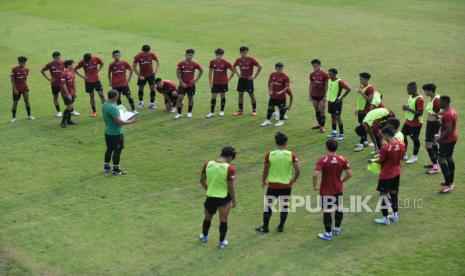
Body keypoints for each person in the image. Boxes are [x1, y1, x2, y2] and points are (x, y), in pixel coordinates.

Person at [256, 132, 300, 233]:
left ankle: (265, 227)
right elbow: (298, 171)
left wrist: (263, 181)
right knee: (284, 206)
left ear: (276, 142)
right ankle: (281, 226)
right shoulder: (291, 155)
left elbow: (265, 170)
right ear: (286, 142)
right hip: (286, 186)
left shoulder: (269, 155)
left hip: (273, 186)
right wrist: (293, 181)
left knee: (268, 206)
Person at [313, 139, 352, 241]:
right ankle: (337, 228)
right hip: (338, 188)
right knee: (339, 208)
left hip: (326, 190)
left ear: (326, 147)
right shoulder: (342, 159)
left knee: (327, 210)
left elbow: (315, 174)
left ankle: (328, 234)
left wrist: (315, 186)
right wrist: (341, 181)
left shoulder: (323, 160)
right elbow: (349, 174)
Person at [199, 146, 237, 249]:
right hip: (223, 199)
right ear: (229, 157)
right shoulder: (230, 169)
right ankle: (221, 243)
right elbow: (230, 187)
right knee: (223, 220)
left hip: (210, 197)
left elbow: (202, 181)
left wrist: (209, 190)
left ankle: (204, 237)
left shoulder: (208, 164)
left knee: (207, 217)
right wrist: (234, 200)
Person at [369, 125, 405, 225]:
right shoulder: (401, 144)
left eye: (383, 135)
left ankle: (385, 218)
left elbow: (381, 161)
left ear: (386, 135)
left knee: (383, 195)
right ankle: (395, 214)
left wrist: (372, 161)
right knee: (394, 193)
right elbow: (402, 156)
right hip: (397, 172)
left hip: (386, 174)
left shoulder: (386, 148)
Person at [102, 90, 138, 175]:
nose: (118, 97)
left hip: (108, 131)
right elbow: (119, 122)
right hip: (116, 133)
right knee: (117, 150)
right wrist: (131, 121)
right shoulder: (113, 108)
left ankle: (106, 166)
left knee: (109, 149)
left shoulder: (105, 105)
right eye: (117, 96)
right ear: (114, 97)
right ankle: (116, 169)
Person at [436, 96, 458, 194]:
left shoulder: (448, 114)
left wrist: (439, 138)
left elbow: (448, 129)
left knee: (441, 159)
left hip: (447, 140)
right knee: (449, 158)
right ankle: (451, 182)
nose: (438, 103)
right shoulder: (452, 111)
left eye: (440, 102)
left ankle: (448, 185)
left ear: (445, 102)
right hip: (453, 138)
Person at [206, 48, 236, 118]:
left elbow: (233, 71)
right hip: (215, 83)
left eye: (220, 55)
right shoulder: (212, 62)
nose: (218, 56)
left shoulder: (226, 62)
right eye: (217, 55)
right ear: (215, 55)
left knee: (222, 96)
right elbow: (210, 72)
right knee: (213, 96)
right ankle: (212, 112)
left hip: (223, 83)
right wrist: (210, 82)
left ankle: (222, 111)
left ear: (222, 55)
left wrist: (228, 79)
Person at [233, 46, 262, 116]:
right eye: (243, 53)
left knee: (251, 94)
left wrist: (254, 76)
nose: (244, 54)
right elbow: (233, 66)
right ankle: (240, 111)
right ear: (240, 53)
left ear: (247, 52)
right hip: (241, 80)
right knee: (240, 95)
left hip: (249, 80)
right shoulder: (238, 60)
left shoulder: (251, 59)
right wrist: (237, 74)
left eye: (245, 53)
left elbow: (260, 66)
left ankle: (254, 111)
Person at [175, 49, 203, 119]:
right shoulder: (180, 64)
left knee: (190, 98)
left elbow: (201, 71)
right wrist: (181, 82)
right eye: (188, 55)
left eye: (191, 55)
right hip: (182, 85)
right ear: (185, 55)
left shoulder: (194, 64)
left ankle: (189, 112)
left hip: (191, 85)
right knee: (179, 98)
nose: (190, 56)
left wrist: (196, 80)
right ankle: (179, 114)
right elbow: (178, 73)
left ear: (193, 55)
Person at [261, 63, 291, 127]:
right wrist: (270, 90)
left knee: (281, 109)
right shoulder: (272, 75)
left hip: (281, 97)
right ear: (275, 68)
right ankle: (268, 120)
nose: (279, 70)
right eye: (278, 69)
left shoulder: (285, 77)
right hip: (273, 96)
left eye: (281, 69)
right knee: (270, 108)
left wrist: (281, 91)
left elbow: (287, 86)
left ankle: (281, 121)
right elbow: (269, 82)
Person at [401, 82, 424, 164]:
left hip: (416, 123)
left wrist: (408, 108)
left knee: (415, 139)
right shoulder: (411, 96)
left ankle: (414, 156)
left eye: (408, 89)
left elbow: (420, 113)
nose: (407, 91)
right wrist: (407, 108)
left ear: (414, 89)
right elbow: (412, 107)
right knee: (402, 136)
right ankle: (404, 153)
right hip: (408, 121)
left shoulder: (419, 99)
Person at [325, 68, 351, 141]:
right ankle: (334, 132)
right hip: (330, 101)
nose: (329, 75)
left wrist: (341, 98)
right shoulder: (330, 80)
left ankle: (341, 134)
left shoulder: (339, 81)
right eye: (328, 74)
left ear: (335, 74)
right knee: (332, 116)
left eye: (330, 74)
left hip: (337, 102)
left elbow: (348, 89)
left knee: (338, 117)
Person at [422, 83, 441, 175]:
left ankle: (436, 167)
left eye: (425, 90)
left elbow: (440, 113)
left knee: (428, 146)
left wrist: (435, 118)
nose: (424, 92)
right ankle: (436, 163)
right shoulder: (433, 98)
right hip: (432, 124)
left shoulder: (436, 100)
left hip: (433, 125)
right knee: (433, 144)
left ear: (430, 91)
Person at [133, 44, 160, 110]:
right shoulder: (137, 56)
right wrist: (139, 76)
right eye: (144, 52)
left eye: (147, 52)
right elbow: (134, 67)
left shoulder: (151, 54)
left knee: (152, 88)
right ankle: (140, 102)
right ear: (142, 51)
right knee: (141, 88)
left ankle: (152, 103)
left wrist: (155, 70)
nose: (146, 53)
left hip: (151, 75)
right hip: (142, 75)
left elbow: (158, 62)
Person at [354, 72, 375, 152]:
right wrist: (357, 108)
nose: (360, 80)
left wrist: (362, 93)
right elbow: (359, 99)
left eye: (361, 79)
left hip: (366, 111)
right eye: (360, 79)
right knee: (362, 126)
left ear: (366, 79)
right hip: (360, 110)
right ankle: (365, 141)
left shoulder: (370, 88)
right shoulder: (361, 86)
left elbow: (370, 100)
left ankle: (361, 144)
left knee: (364, 127)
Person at [10, 56, 34, 123]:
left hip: (24, 88)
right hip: (17, 88)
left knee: (27, 101)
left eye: (24, 63)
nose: (23, 64)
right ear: (18, 62)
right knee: (15, 102)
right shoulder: (14, 69)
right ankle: (13, 117)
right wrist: (14, 89)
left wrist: (26, 86)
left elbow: (25, 79)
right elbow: (12, 80)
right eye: (21, 63)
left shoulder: (27, 69)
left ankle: (29, 115)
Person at [41, 51, 64, 117]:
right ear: (53, 58)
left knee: (65, 97)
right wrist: (48, 78)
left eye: (58, 57)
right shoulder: (50, 64)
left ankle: (71, 110)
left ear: (60, 56)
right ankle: (58, 111)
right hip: (54, 84)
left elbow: (70, 68)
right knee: (55, 97)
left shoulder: (63, 63)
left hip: (63, 84)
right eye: (55, 58)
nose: (57, 59)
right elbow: (42, 71)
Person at [309, 59, 329, 133]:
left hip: (322, 96)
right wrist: (309, 95)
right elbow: (311, 84)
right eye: (313, 66)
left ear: (320, 65)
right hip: (314, 95)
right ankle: (319, 124)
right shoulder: (312, 74)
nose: (315, 67)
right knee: (316, 110)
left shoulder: (325, 74)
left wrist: (325, 96)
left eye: (316, 66)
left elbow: (327, 85)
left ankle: (322, 127)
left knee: (322, 111)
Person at [59, 60, 78, 128]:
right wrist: (68, 94)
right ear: (68, 66)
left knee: (71, 107)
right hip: (66, 93)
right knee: (69, 107)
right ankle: (63, 122)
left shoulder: (72, 72)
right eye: (73, 65)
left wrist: (74, 92)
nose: (74, 66)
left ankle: (69, 121)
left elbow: (73, 82)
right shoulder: (63, 74)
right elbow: (63, 85)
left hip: (72, 92)